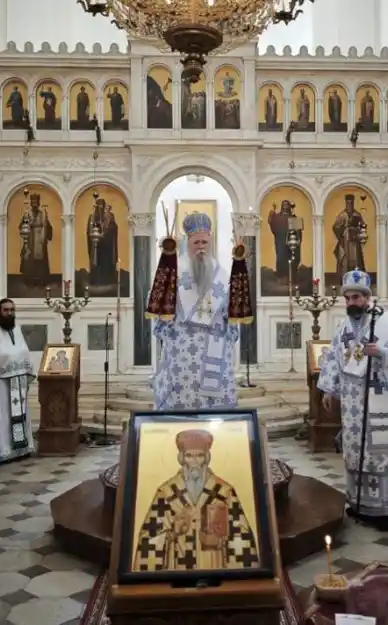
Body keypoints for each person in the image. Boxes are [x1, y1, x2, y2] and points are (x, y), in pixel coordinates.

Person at [318, 269, 388, 532]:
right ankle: (359, 503)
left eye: (356, 298)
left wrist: (380, 352)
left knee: (378, 450)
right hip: (353, 405)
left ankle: (384, 509)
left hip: (378, 397)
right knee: (356, 450)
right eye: (347, 298)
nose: (351, 303)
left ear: (367, 298)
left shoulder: (384, 323)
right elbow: (335, 358)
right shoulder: (344, 326)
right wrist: (329, 390)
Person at [147, 212, 252, 410]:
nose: (201, 247)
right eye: (197, 243)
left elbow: (232, 313)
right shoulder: (173, 275)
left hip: (216, 350)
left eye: (205, 242)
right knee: (180, 404)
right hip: (181, 355)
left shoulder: (222, 276)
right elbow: (157, 306)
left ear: (210, 242)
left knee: (216, 409)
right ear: (188, 243)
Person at [133, 429, 259, 571]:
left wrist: (220, 539)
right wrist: (174, 531)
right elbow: (149, 539)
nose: (194, 462)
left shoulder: (224, 492)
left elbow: (241, 536)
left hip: (215, 569)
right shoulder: (167, 492)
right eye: (189, 456)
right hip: (178, 570)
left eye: (199, 456)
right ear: (181, 458)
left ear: (206, 457)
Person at [0, 298, 35, 461]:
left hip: (18, 381)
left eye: (12, 310)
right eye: (6, 310)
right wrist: (13, 360)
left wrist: (23, 366)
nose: (9, 313)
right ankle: (4, 451)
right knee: (2, 416)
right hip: (1, 382)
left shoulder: (16, 329)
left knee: (21, 414)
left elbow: (23, 351)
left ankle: (22, 448)